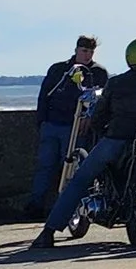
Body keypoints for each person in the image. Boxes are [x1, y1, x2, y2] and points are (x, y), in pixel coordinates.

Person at [31, 37, 136, 249]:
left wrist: (100, 126)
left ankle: (49, 232)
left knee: (81, 179)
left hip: (117, 137)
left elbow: (100, 113)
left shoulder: (116, 82)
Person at [28, 36, 106, 215]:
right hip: (52, 124)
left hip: (76, 127)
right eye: (84, 51)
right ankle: (36, 204)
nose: (87, 55)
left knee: (72, 168)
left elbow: (103, 102)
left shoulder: (98, 72)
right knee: (45, 165)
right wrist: (41, 121)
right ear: (77, 49)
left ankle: (68, 208)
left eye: (91, 52)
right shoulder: (59, 69)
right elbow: (44, 96)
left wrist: (90, 119)